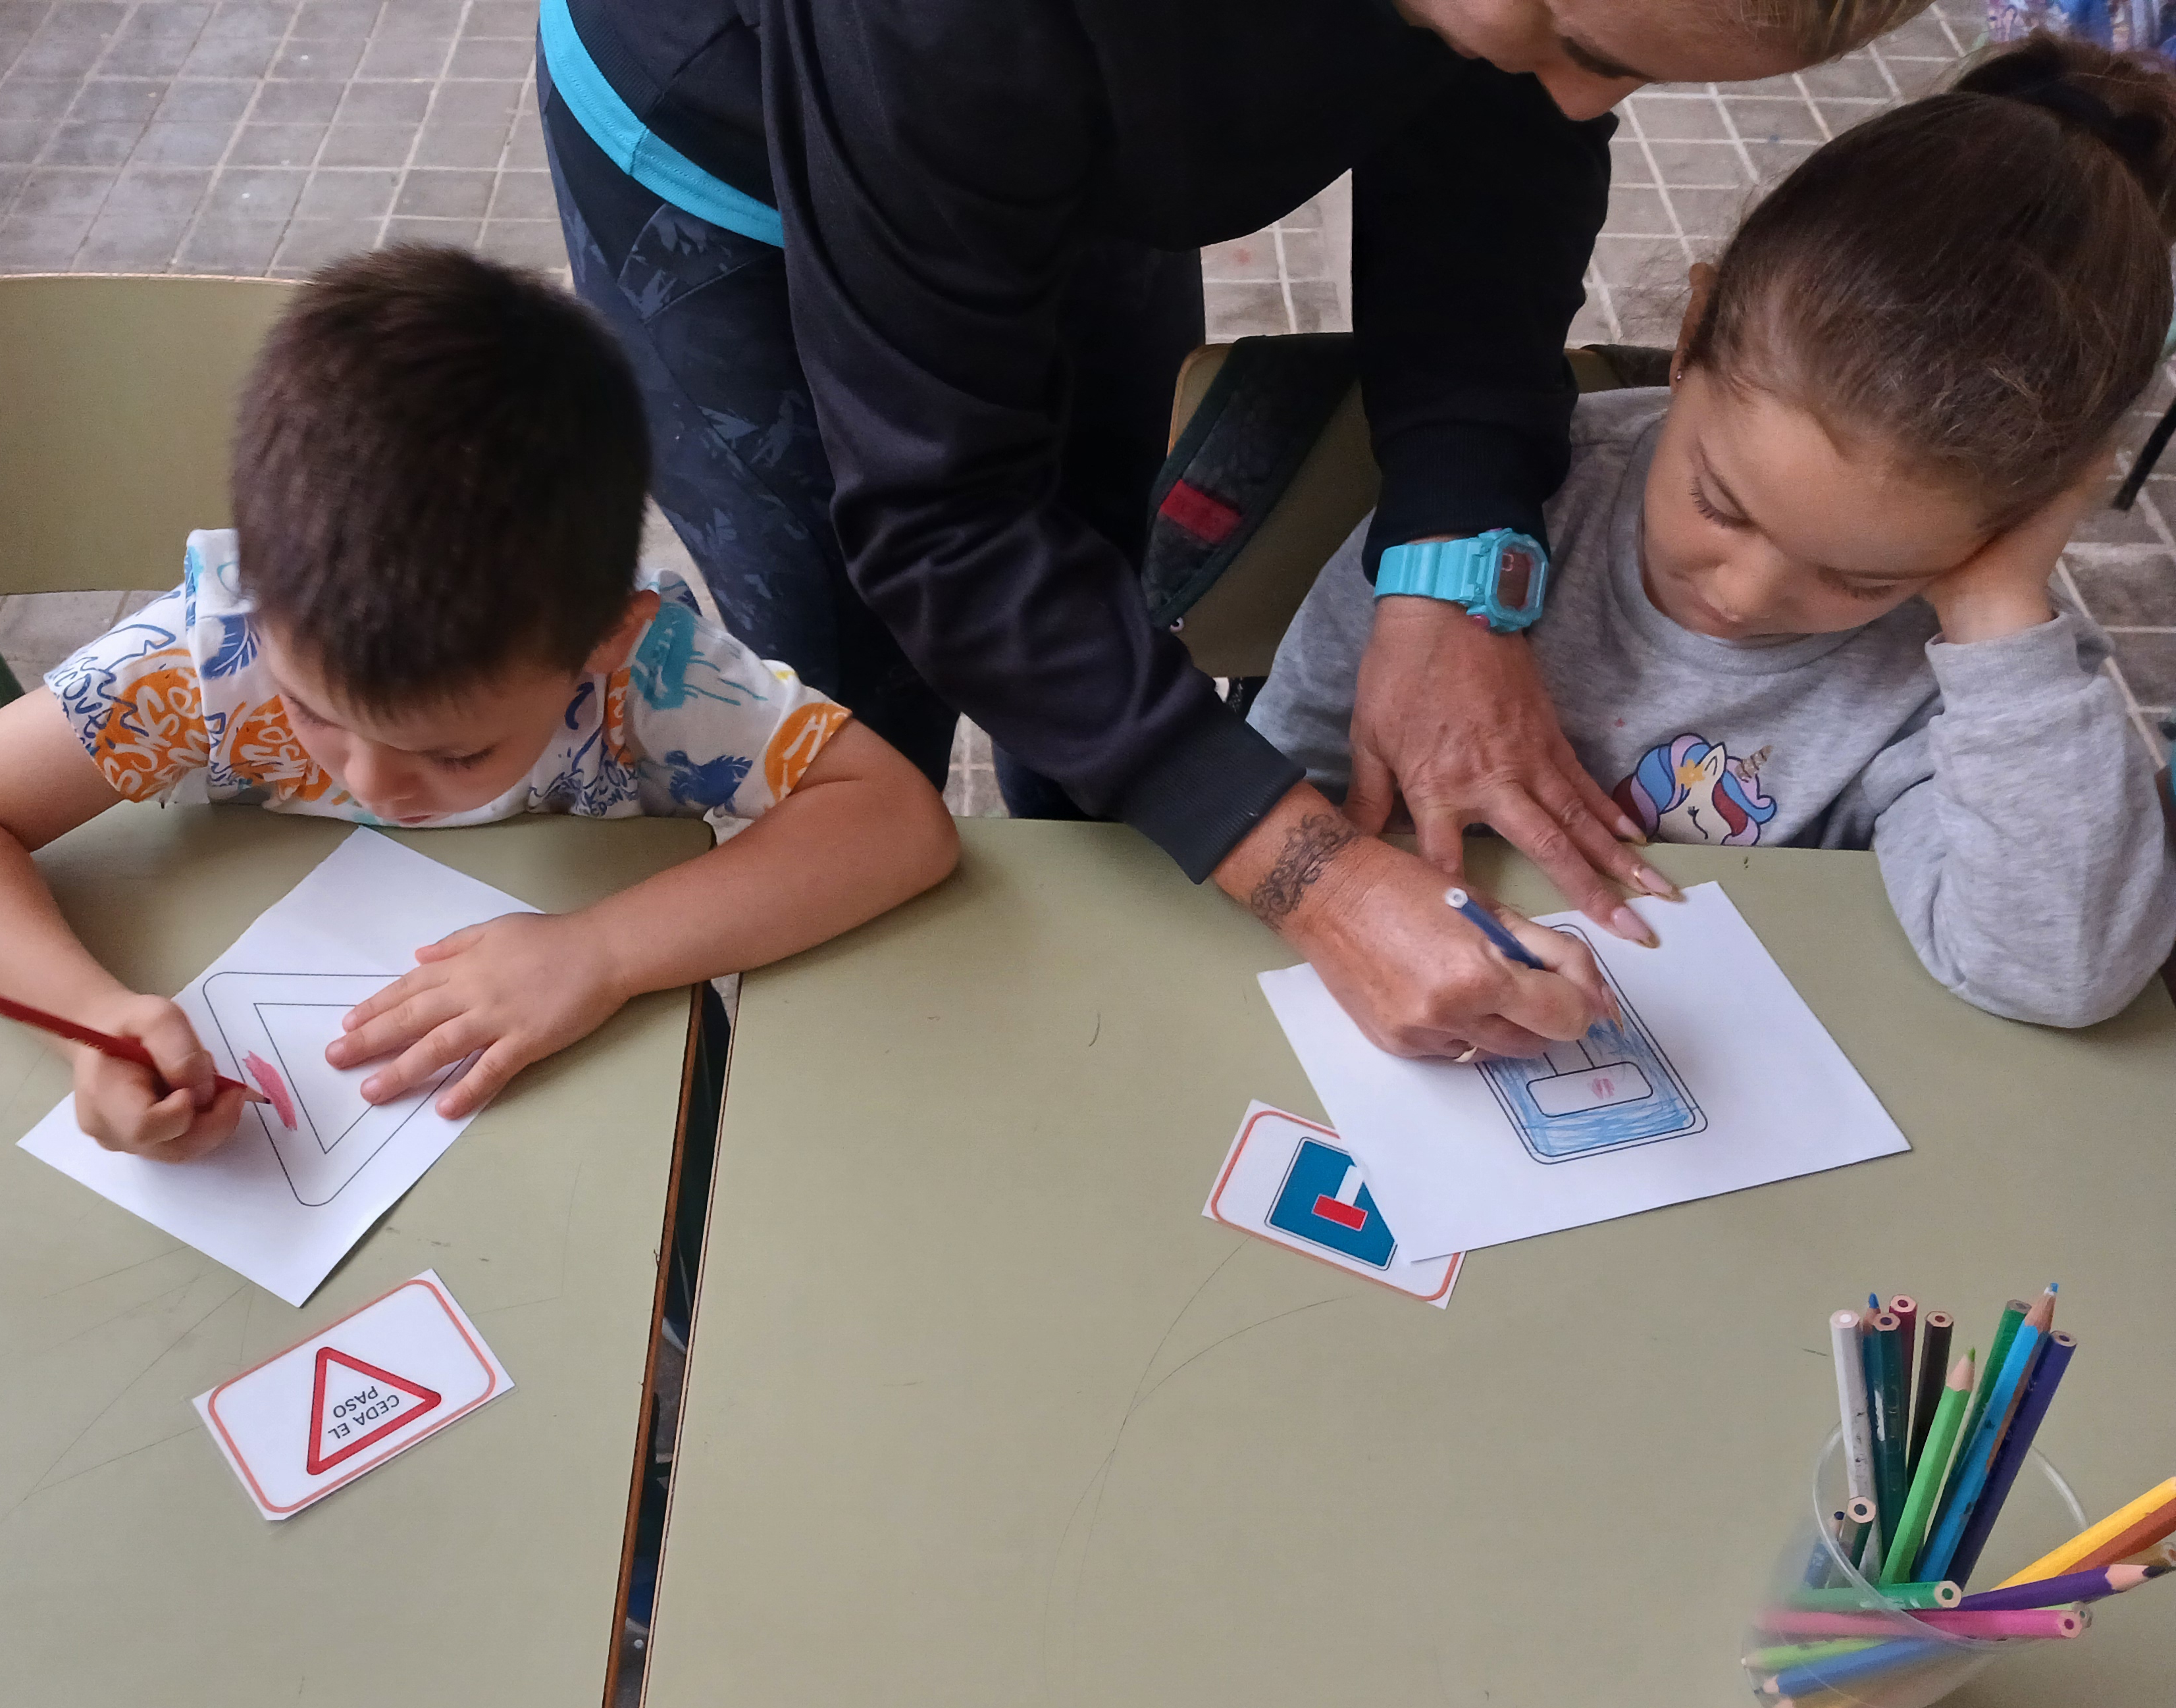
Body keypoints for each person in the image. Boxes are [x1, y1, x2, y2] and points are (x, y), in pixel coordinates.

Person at [537, 0, 1942, 1060]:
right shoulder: (952, 36)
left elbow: (1498, 170)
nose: (1577, 99)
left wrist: (1456, 560)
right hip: (738, 172)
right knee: (862, 692)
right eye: (1572, 39)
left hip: (1064, 123)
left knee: (1115, 576)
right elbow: (944, 519)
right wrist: (1312, 881)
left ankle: (1100, 924)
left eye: (1631, 71)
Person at [0, 247, 958, 1160]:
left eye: (456, 752)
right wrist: (84, 1021)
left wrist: (602, 952)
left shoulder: (649, 677)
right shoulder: (209, 656)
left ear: (603, 644)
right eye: (314, 714)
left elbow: (894, 818)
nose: (373, 782)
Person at [1249, 34, 2176, 1029]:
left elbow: (2055, 974)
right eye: (1721, 506)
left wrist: (1995, 609)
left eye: (1861, 580)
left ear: (2019, 522)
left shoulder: (1972, 683)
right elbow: (1283, 777)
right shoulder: (1488, 519)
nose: (1741, 596)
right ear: (1692, 335)